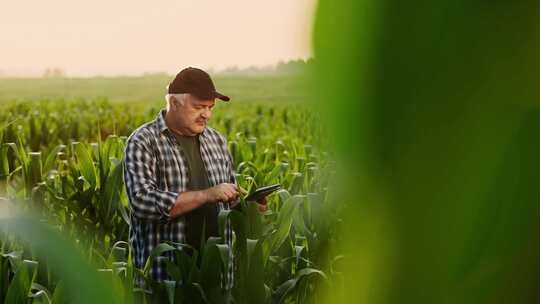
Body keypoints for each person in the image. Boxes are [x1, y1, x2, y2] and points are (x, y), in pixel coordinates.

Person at [122, 67, 267, 288]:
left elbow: (227, 197)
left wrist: (247, 207)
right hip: (166, 280)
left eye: (210, 108)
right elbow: (142, 202)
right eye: (198, 107)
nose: (206, 114)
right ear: (174, 103)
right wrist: (207, 195)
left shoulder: (216, 141)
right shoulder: (143, 141)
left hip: (216, 279)